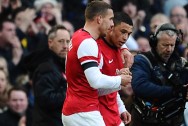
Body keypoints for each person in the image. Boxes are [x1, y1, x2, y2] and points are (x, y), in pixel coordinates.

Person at [62, 1, 132, 126]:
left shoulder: (78, 35)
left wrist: (119, 98)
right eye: (110, 19)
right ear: (99, 19)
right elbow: (95, 82)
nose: (112, 24)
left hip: (78, 109)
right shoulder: (88, 43)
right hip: (83, 111)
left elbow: (93, 87)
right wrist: (120, 80)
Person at [130, 23, 188, 126]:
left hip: (174, 121)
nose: (169, 49)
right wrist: (175, 91)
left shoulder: (181, 63)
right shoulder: (142, 60)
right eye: (165, 45)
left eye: (172, 45)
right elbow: (140, 86)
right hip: (146, 122)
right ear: (155, 43)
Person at [24, 25, 70, 126]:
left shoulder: (62, 66)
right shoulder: (46, 68)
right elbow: (46, 99)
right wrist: (72, 90)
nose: (65, 46)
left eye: (67, 41)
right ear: (50, 43)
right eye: (61, 41)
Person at [97, 12, 133, 126]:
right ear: (111, 27)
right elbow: (93, 88)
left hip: (114, 113)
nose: (126, 38)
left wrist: (121, 107)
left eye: (129, 34)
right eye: (123, 32)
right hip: (97, 113)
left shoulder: (121, 51)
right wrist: (119, 80)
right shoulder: (95, 48)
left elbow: (113, 91)